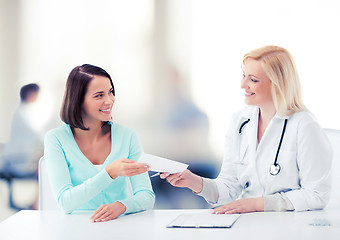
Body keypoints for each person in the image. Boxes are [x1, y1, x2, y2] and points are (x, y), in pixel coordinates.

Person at [160, 45, 332, 213]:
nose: (243, 84)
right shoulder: (240, 121)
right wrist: (195, 182)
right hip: (249, 222)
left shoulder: (304, 125)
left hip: (289, 225)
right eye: (244, 76)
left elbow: (317, 194)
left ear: (277, 84)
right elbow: (228, 188)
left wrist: (259, 204)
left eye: (253, 79)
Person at [44, 64, 155, 222]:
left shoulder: (128, 136)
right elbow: (65, 202)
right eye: (99, 95)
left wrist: (121, 206)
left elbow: (146, 196)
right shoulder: (56, 139)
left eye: (110, 92)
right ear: (78, 100)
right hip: (77, 227)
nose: (109, 101)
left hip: (121, 224)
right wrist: (109, 173)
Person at [1, 83, 42, 178]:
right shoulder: (22, 113)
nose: (37, 97)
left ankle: (37, 193)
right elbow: (34, 134)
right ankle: (37, 193)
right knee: (44, 168)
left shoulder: (25, 112)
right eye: (36, 94)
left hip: (20, 157)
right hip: (17, 160)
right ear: (30, 94)